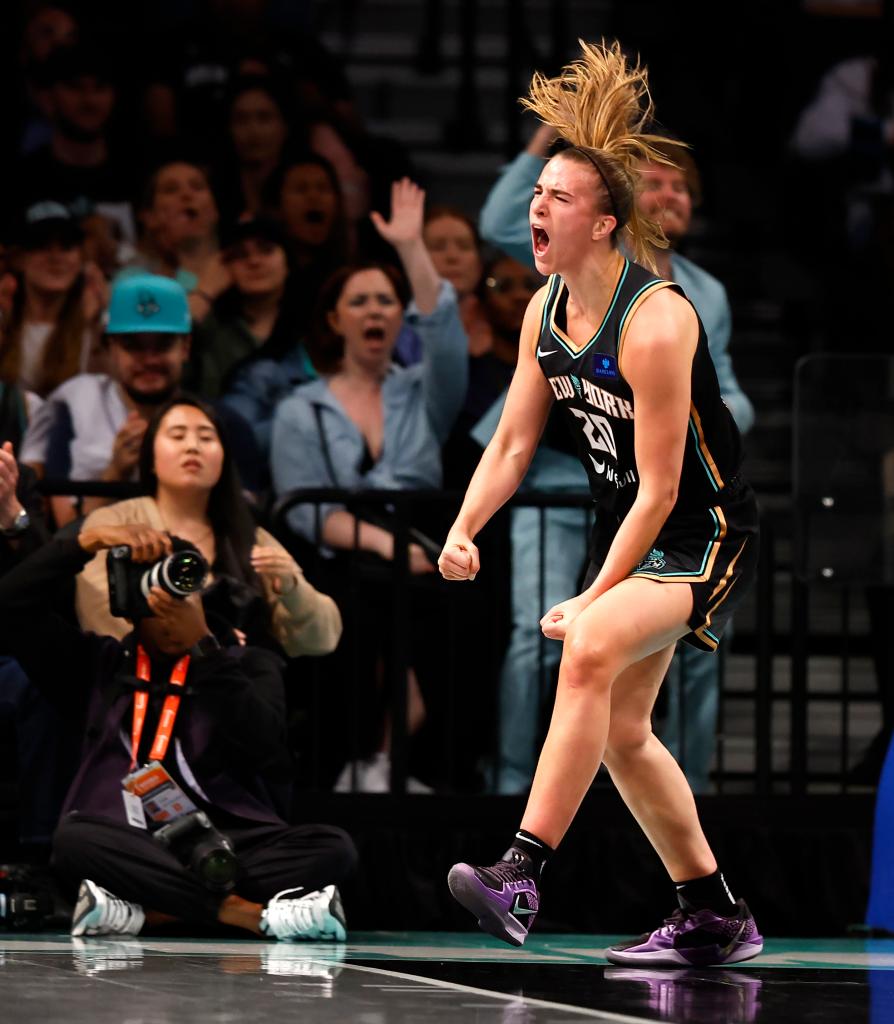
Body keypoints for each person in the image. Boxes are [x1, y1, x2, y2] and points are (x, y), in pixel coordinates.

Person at [439, 42, 762, 966]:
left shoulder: (658, 318)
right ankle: (714, 912)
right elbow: (510, 443)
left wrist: (591, 597)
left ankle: (520, 870)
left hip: (699, 531)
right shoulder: (545, 309)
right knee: (623, 733)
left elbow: (664, 487)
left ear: (607, 224)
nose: (538, 208)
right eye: (537, 194)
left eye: (560, 198)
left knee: (586, 647)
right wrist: (465, 527)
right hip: (632, 529)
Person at [477, 123, 755, 794]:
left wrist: (696, 416)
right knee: (575, 678)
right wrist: (544, 148)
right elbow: (500, 221)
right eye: (653, 180)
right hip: (587, 486)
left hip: (682, 509)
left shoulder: (689, 300)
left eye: (680, 185)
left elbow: (713, 411)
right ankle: (519, 791)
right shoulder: (561, 279)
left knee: (601, 647)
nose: (668, 194)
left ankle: (526, 859)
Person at [0, 520, 356, 940]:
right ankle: (241, 913)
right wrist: (80, 542)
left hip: (224, 842)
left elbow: (267, 747)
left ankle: (147, 913)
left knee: (333, 848)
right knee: (74, 839)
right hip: (126, 840)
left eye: (179, 580)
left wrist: (205, 648)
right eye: (150, 587)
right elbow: (10, 606)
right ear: (126, 598)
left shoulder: (248, 663)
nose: (166, 598)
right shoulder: (99, 666)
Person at [271, 178, 468, 791]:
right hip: (342, 553)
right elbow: (305, 509)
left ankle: (407, 764)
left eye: (386, 301)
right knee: (352, 605)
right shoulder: (300, 409)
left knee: (452, 610)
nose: (375, 312)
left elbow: (445, 336)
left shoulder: (421, 393)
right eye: (359, 302)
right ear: (335, 321)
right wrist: (386, 546)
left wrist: (412, 249)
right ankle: (358, 761)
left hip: (421, 540)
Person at [76, 394, 342, 660]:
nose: (193, 447)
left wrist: (292, 587)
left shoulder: (249, 536)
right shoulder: (114, 523)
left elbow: (321, 639)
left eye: (206, 438)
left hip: (235, 689)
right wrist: (203, 644)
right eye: (177, 436)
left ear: (224, 460)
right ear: (152, 459)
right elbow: (101, 616)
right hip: (144, 687)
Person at [19, 272, 262, 526]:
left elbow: (246, 527)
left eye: (162, 345)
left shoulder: (222, 424)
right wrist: (116, 471)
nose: (149, 359)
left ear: (185, 347)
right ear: (111, 348)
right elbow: (66, 529)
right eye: (133, 345)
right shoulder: (75, 407)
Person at [0, 202, 106, 398]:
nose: (56, 257)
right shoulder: (3, 322)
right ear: (20, 259)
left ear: (81, 259)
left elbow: (100, 398)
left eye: (66, 246)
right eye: (41, 246)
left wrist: (93, 325)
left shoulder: (96, 326)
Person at [123, 161, 232, 326]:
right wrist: (205, 291)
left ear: (215, 210)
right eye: (171, 190)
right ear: (150, 216)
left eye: (197, 187)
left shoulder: (242, 266)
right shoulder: (133, 281)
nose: (187, 195)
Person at [214, 76, 294, 223]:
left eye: (264, 118)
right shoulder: (212, 190)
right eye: (241, 119)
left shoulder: (305, 182)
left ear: (285, 126)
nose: (253, 131)